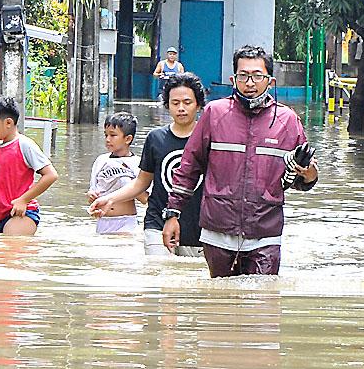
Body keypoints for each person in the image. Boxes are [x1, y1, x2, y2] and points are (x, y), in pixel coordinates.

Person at [162, 45, 319, 277]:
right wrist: (173, 214)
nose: (250, 83)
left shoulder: (288, 121)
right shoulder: (215, 114)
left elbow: (296, 179)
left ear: (270, 81)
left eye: (257, 76)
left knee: (261, 303)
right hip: (217, 229)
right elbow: (189, 168)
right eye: (243, 76)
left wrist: (309, 174)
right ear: (233, 79)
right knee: (220, 302)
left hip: (265, 231)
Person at [89, 73, 206, 256]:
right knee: (158, 274)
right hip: (157, 224)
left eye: (187, 102)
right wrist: (109, 198)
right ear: (167, 105)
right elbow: (141, 183)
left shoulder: (209, 139)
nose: (181, 108)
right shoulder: (156, 138)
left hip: (198, 227)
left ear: (198, 105)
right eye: (175, 103)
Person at [0, 96, 59, 235]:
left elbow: (51, 175)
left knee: (10, 251)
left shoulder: (24, 145)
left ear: (8, 122)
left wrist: (23, 200)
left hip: (20, 214)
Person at [86, 112, 148, 234]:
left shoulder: (138, 163)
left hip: (126, 222)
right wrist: (91, 195)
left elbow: (145, 198)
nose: (108, 140)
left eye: (113, 135)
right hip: (103, 221)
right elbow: (93, 191)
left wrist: (131, 185)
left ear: (128, 139)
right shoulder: (101, 161)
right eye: (106, 135)